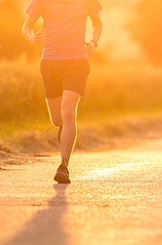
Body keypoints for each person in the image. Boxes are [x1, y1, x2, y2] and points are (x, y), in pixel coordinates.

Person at [22, 0, 103, 184]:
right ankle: (64, 129)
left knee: (68, 112)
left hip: (76, 62)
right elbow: (26, 27)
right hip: (50, 63)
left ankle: (63, 166)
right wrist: (31, 36)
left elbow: (97, 23)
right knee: (57, 119)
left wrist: (93, 42)